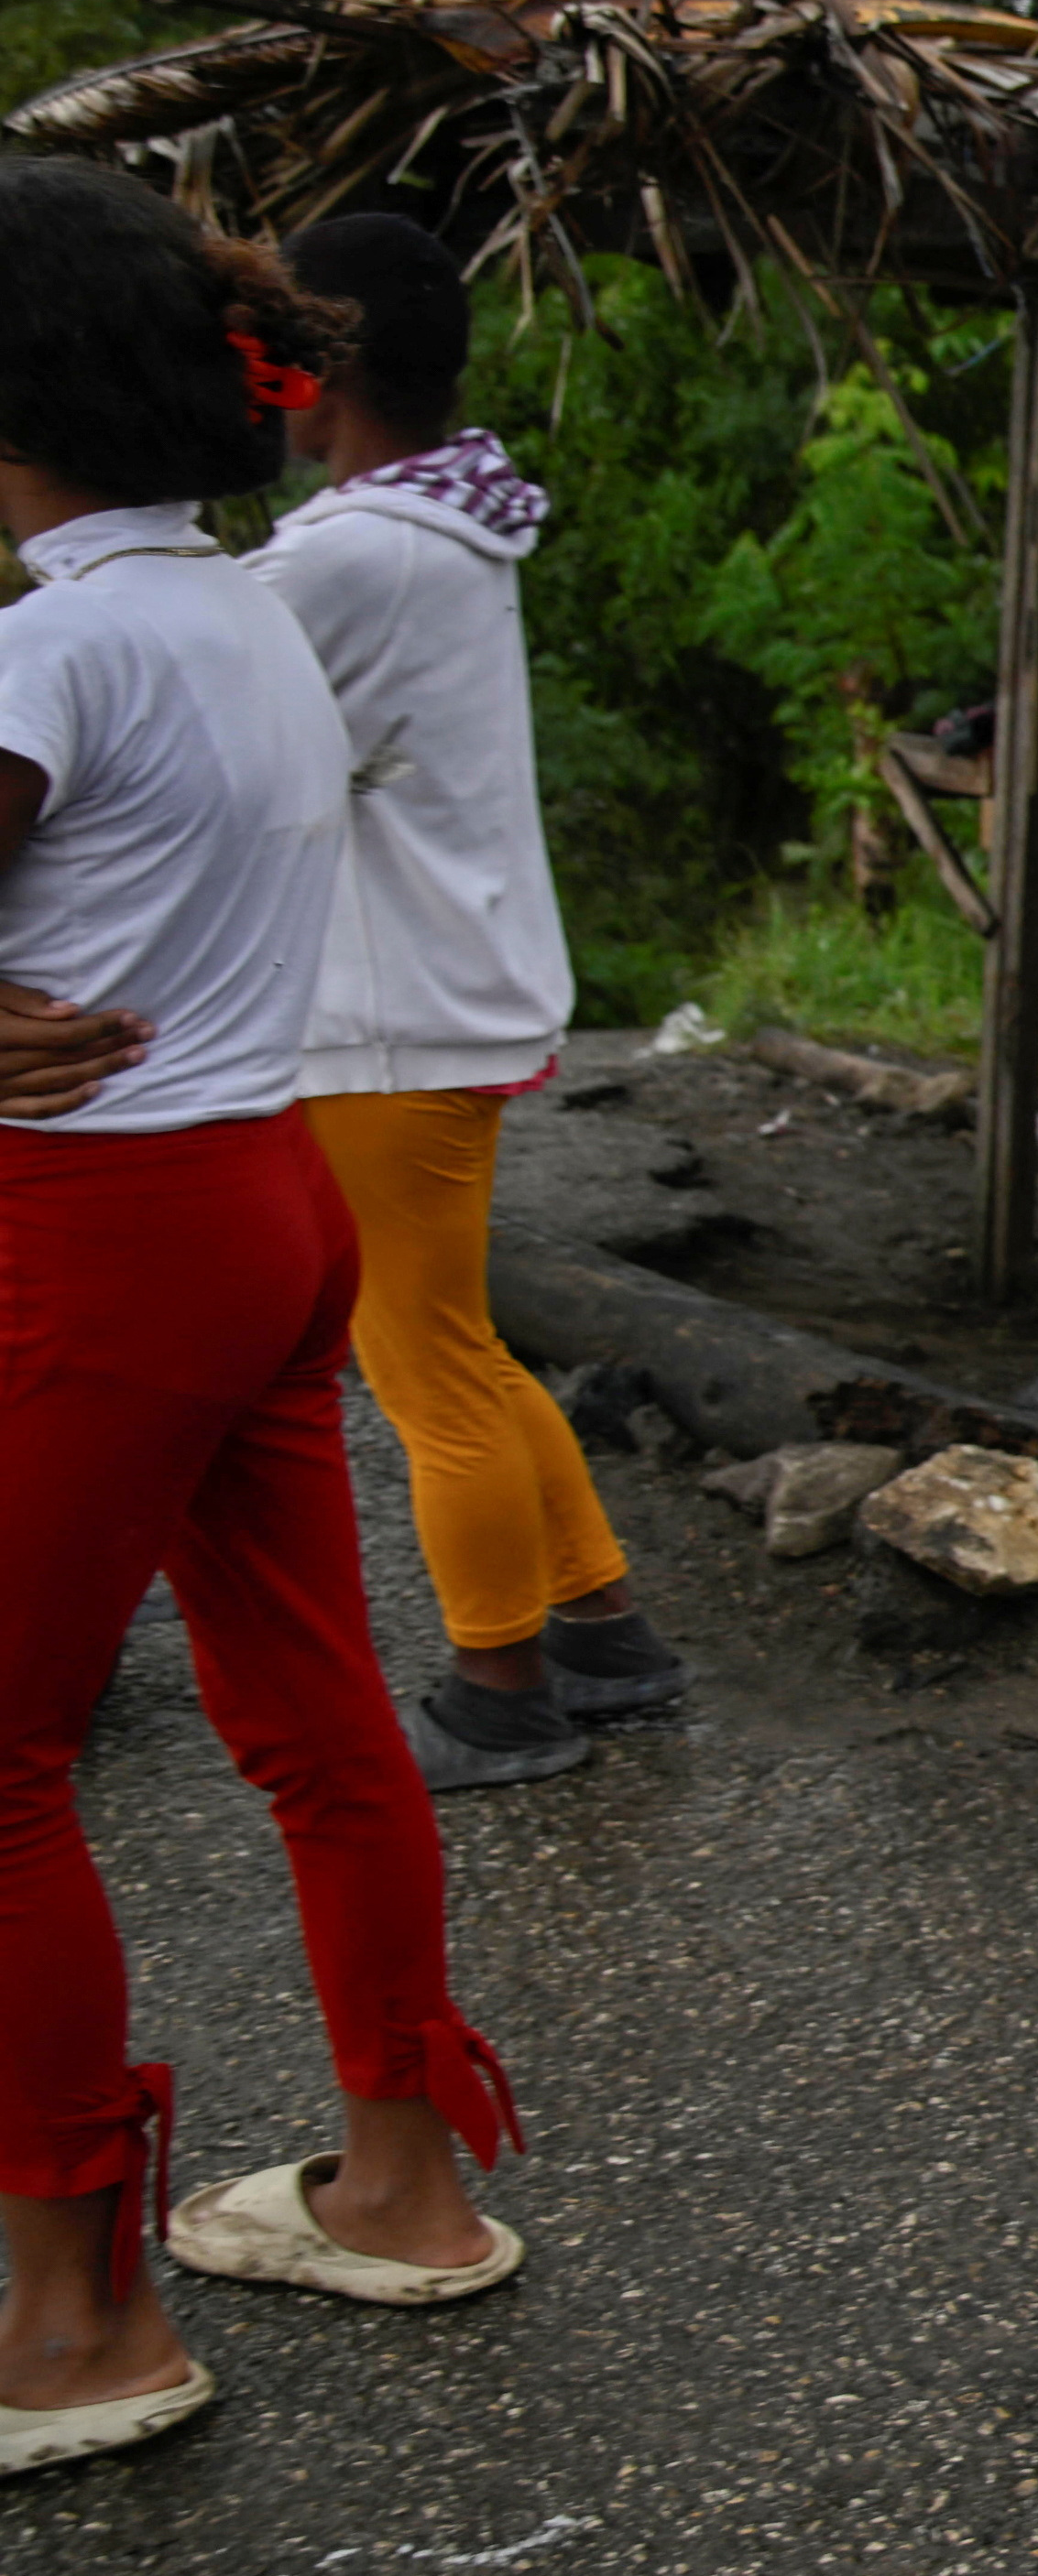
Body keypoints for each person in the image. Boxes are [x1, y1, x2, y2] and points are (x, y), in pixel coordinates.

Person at [0, 160, 530, 2484]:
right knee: (311, 1704)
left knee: (3, 1760)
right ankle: (402, 2182)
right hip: (265, 1192)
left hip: (100, 1237)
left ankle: (79, 2316)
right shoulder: (233, 614)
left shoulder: (44, 644)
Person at [253, 211, 683, 1793]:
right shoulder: (437, 526)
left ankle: (499, 1687)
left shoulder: (351, 552)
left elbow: (191, 723)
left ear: (323, 364)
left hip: (384, 1015)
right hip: (438, 992)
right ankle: (603, 1631)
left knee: (422, 1368)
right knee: (461, 1349)